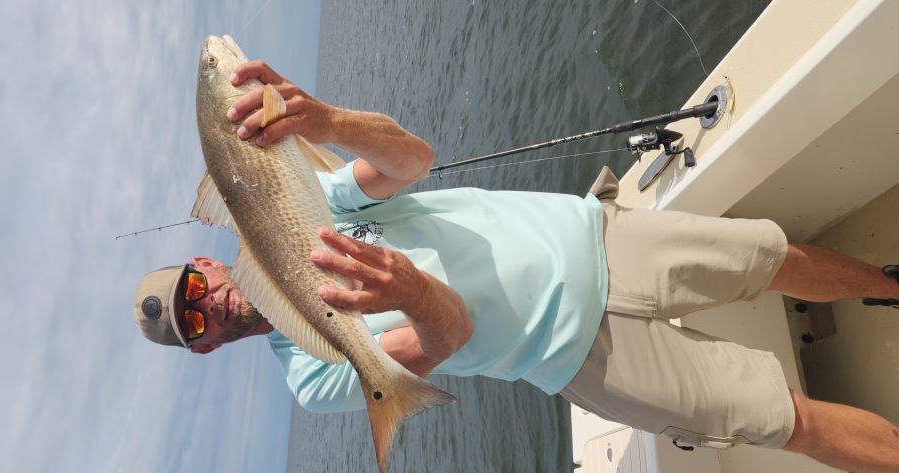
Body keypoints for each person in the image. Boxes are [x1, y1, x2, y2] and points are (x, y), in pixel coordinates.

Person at [133, 60, 899, 472]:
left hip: (589, 236)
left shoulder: (315, 201)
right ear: (205, 347)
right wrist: (412, 291)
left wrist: (329, 121)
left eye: (195, 290)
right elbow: (452, 336)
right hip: (575, 357)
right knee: (787, 422)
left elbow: (413, 159)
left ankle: (888, 286)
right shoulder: (312, 375)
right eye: (194, 322)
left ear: (204, 263)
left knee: (770, 258)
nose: (209, 306)